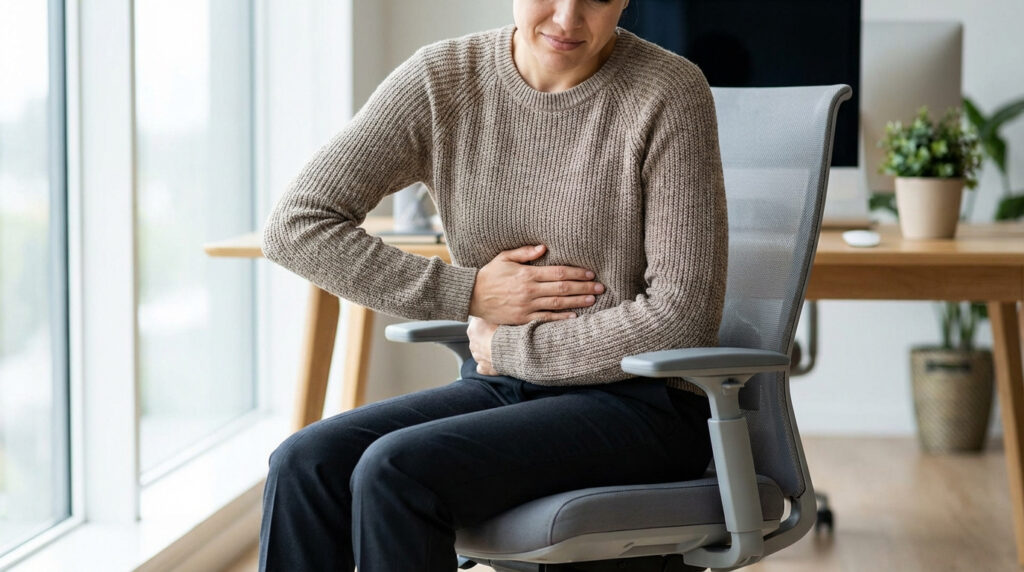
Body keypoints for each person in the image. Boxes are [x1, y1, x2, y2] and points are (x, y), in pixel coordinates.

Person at [258, 0, 727, 569]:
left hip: (641, 404)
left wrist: (510, 346)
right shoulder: (442, 80)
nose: (566, 20)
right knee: (304, 463)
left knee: (395, 470)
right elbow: (296, 226)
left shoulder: (668, 91)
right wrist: (468, 293)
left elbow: (682, 315)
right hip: (505, 392)